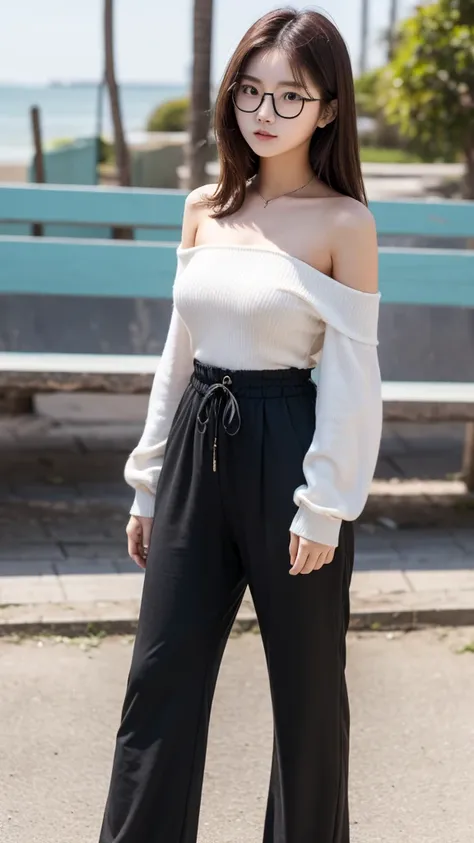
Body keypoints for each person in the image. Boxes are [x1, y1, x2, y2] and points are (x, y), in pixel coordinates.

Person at [97, 7, 383, 843]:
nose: (265, 111)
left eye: (290, 96)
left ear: (328, 108)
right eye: (250, 90)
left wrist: (325, 501)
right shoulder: (203, 206)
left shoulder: (344, 224)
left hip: (290, 445)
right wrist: (147, 482)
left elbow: (352, 372)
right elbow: (178, 350)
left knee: (307, 695)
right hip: (197, 445)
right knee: (159, 681)